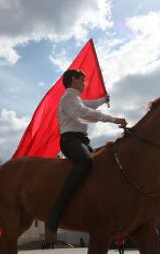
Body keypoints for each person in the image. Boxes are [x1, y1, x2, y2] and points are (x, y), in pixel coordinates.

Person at [45, 69, 127, 234]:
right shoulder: (68, 98)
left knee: (100, 165)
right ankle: (57, 210)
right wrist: (113, 119)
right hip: (70, 140)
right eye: (83, 79)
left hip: (81, 140)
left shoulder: (75, 98)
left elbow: (88, 104)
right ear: (74, 79)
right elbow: (83, 113)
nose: (85, 83)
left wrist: (103, 100)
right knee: (86, 161)